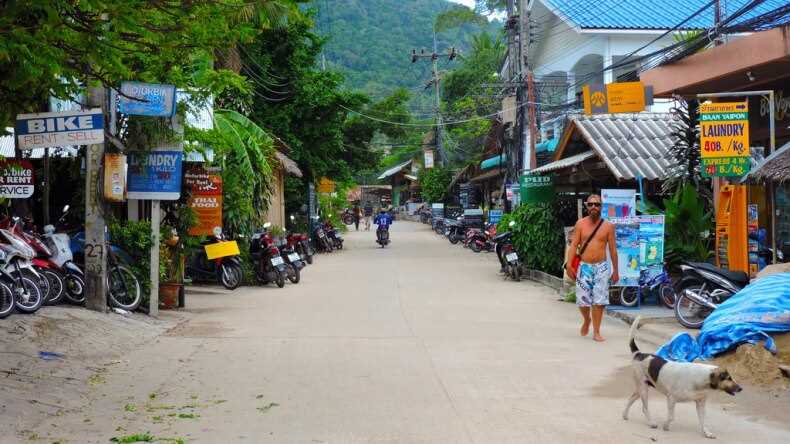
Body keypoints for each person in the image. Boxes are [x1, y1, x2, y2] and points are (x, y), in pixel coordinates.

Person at [565, 194, 619, 342]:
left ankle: (596, 331)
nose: (594, 207)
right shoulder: (580, 224)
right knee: (582, 301)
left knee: (599, 302)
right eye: (591, 204)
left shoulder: (608, 226)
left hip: (601, 267)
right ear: (587, 206)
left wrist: (616, 270)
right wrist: (569, 265)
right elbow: (574, 245)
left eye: (597, 204)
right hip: (584, 267)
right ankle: (586, 319)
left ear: (601, 207)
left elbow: (613, 250)